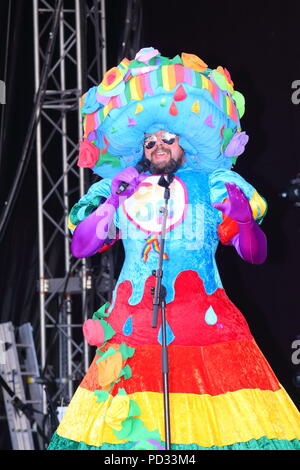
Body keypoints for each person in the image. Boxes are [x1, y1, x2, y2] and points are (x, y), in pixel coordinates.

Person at [48, 48, 300, 450]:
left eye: (168, 139)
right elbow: (82, 246)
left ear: (187, 146)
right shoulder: (121, 190)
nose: (158, 146)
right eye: (150, 142)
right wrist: (113, 202)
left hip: (206, 331)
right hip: (134, 333)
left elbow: (257, 254)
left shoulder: (213, 185)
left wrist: (246, 220)